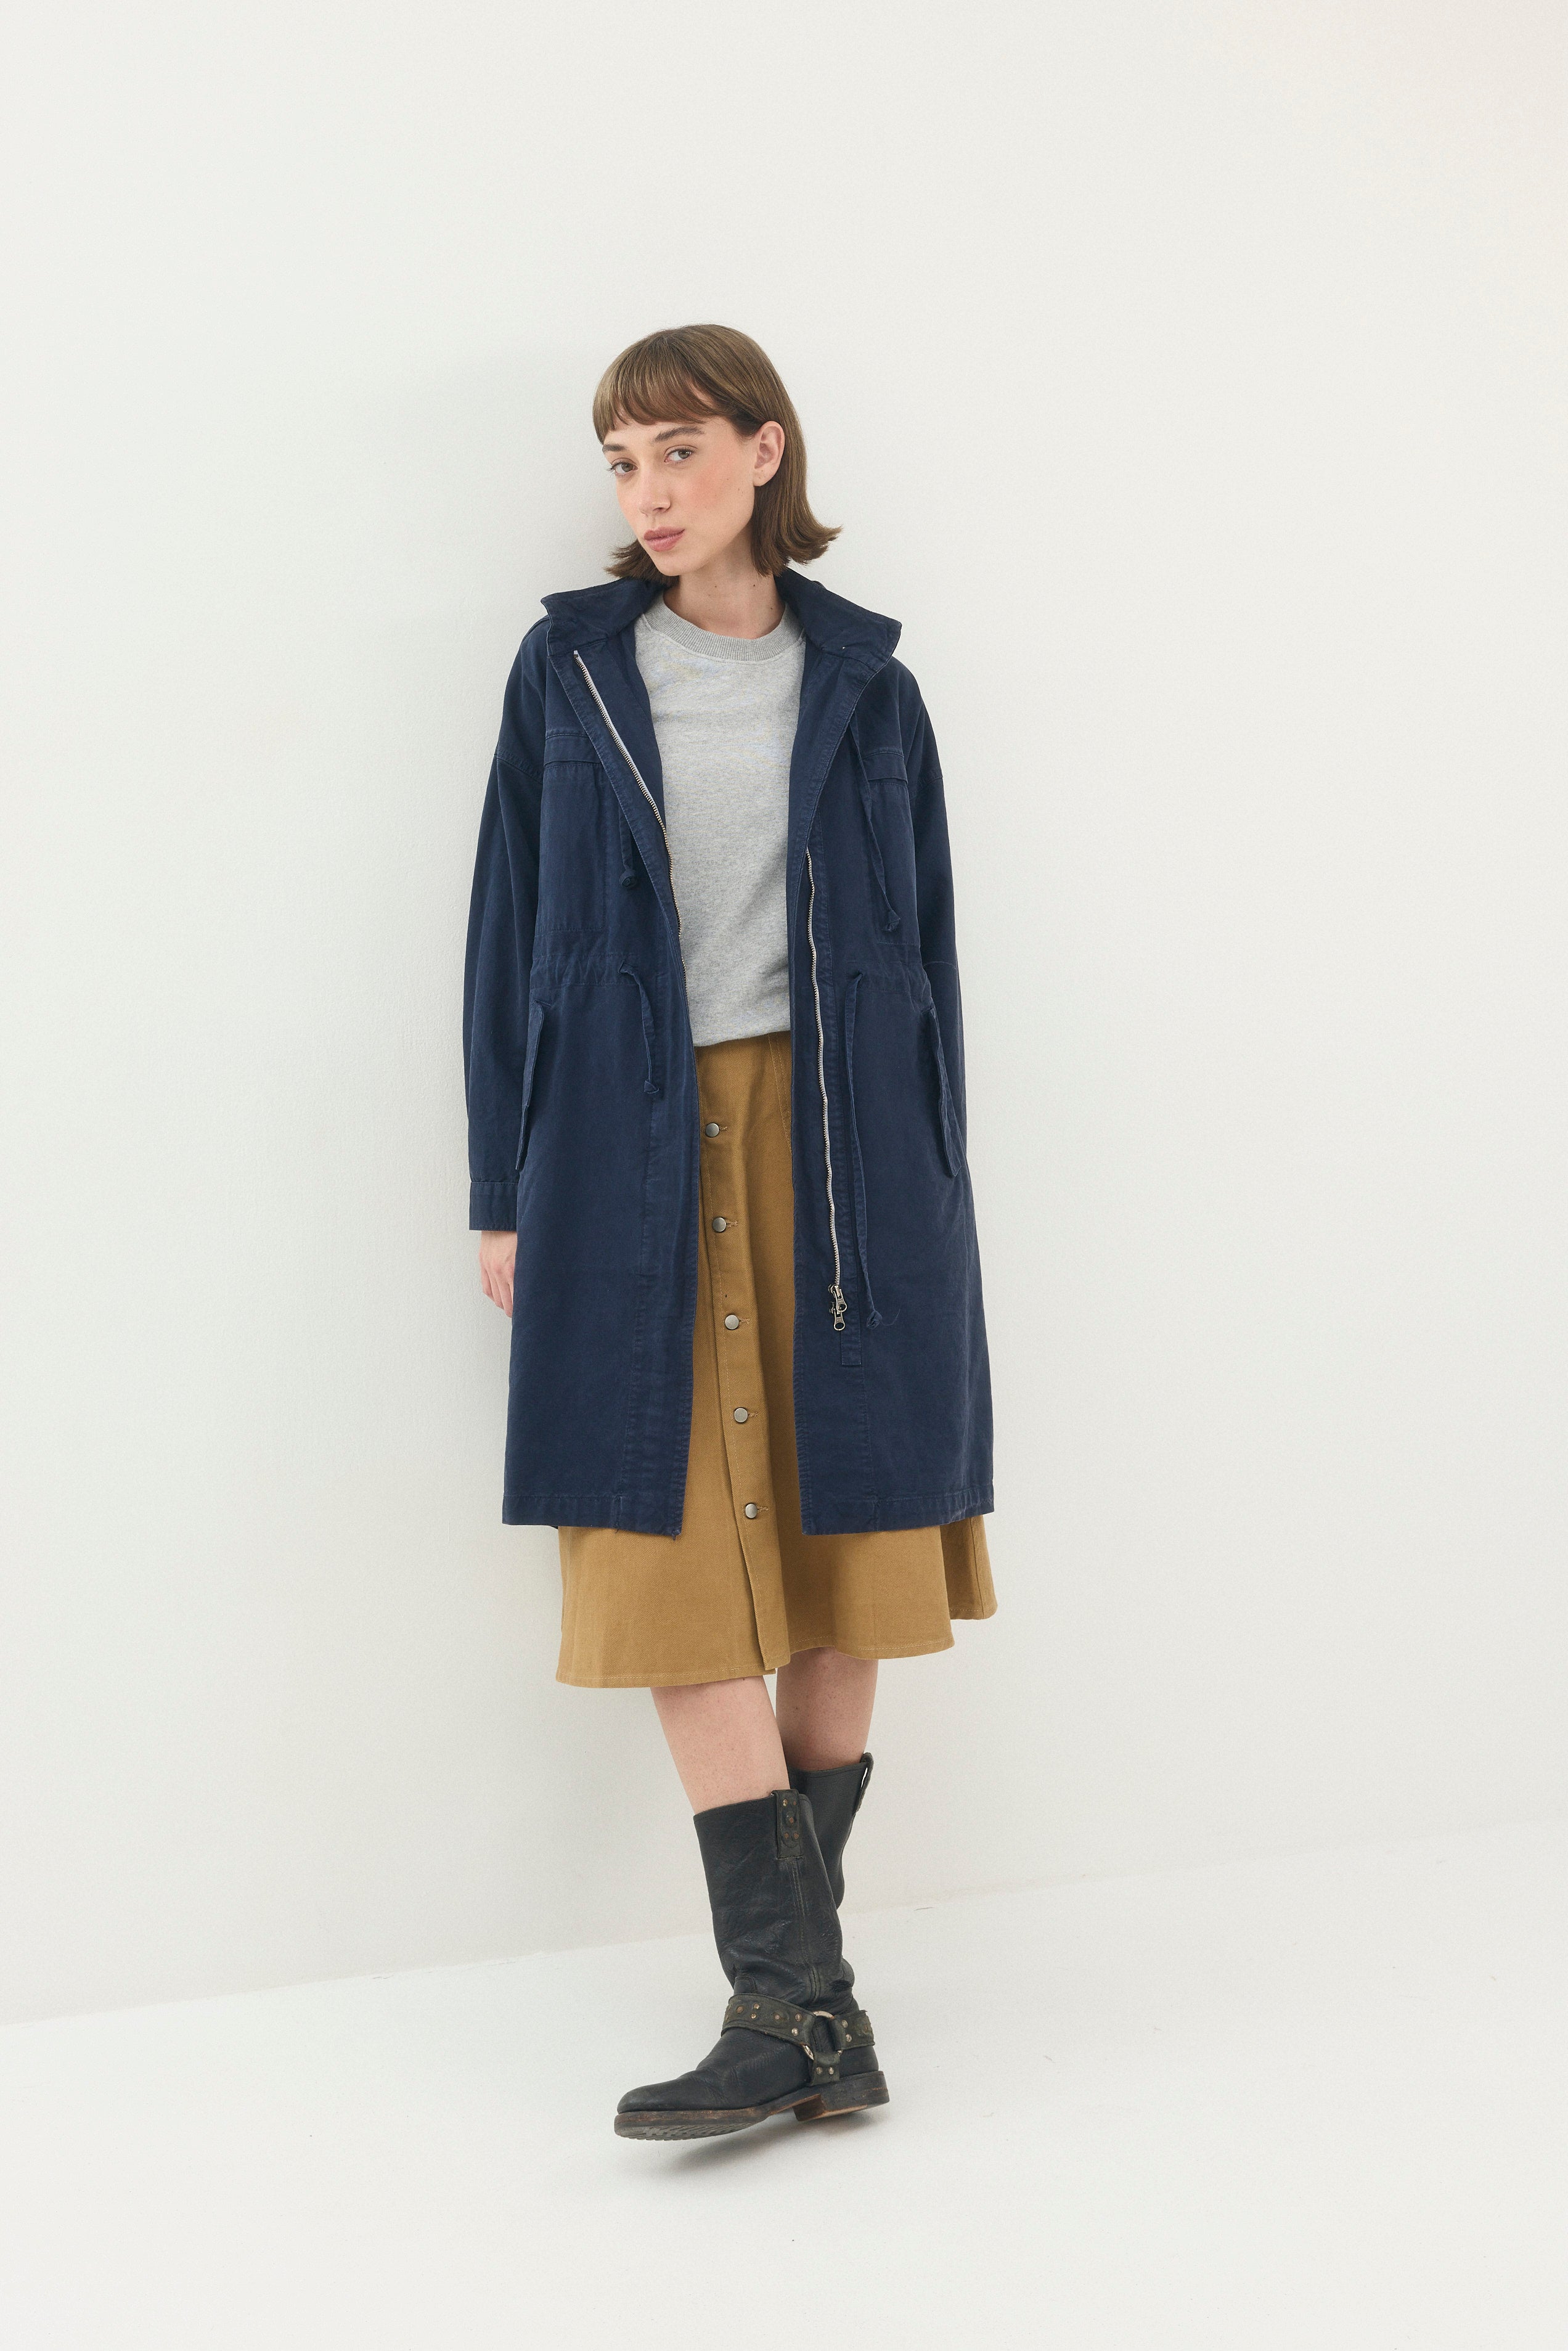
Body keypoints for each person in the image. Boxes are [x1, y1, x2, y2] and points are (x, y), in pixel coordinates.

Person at [462, 323, 997, 2141]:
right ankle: (806, 2008)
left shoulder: (868, 686)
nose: (649, 492)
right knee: (663, 1553)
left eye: (678, 451)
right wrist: (501, 1186)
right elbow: (504, 934)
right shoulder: (570, 672)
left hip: (847, 1148)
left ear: (765, 452)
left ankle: (789, 2012)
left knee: (854, 1540)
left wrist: (936, 1180)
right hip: (624, 1143)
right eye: (623, 463)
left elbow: (931, 948)